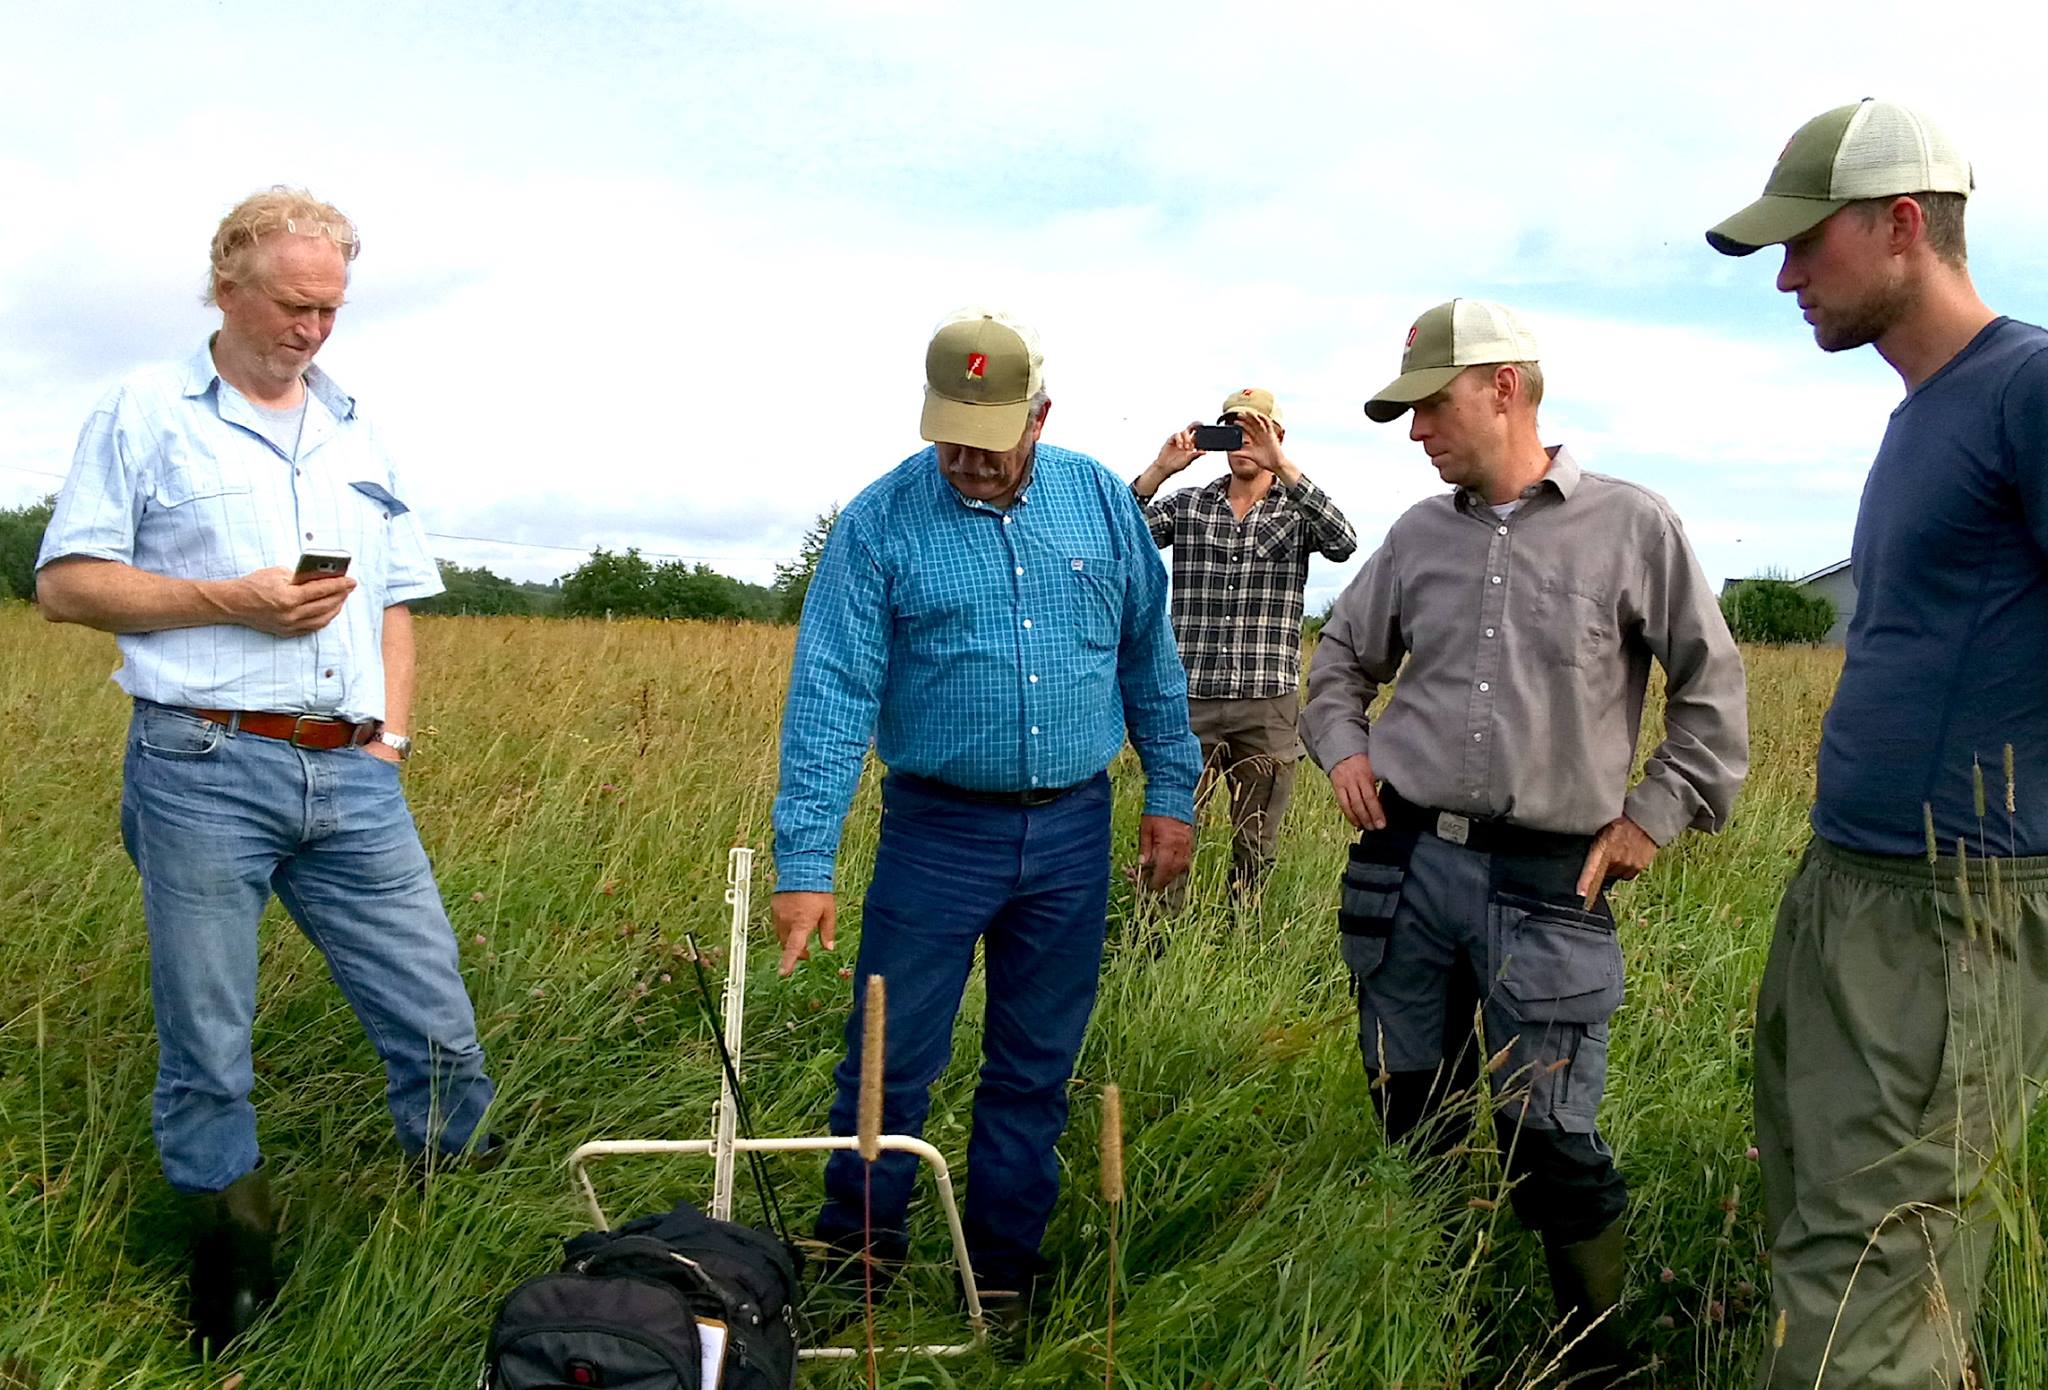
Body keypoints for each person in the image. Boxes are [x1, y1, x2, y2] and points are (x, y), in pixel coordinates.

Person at [35, 187, 496, 1355]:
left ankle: (462, 1204)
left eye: (331, 310)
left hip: (351, 775)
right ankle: (231, 1266)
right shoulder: (143, 412)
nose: (312, 331)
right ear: (227, 287)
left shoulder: (358, 429)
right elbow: (67, 583)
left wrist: (390, 739)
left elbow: (394, 599)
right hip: (200, 760)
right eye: (295, 305)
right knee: (209, 1030)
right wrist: (224, 601)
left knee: (433, 1009)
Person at [1303, 298, 1748, 1385]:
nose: (1414, 432)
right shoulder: (1416, 535)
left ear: (1503, 387)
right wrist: (1342, 750)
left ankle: (1594, 1361)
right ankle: (1431, 1326)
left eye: (1430, 405)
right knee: (1409, 1111)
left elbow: (1711, 691)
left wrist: (1653, 813)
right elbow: (1337, 660)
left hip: (1548, 884)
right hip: (1402, 868)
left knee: (1549, 1145)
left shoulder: (1631, 526)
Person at [769, 307, 1201, 1338]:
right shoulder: (879, 524)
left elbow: (1148, 655)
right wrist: (805, 859)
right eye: (947, 431)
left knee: (1033, 1063)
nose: (964, 455)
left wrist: (1170, 791)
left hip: (1069, 833)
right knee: (889, 1052)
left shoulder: (1101, 504)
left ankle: (1002, 1275)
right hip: (933, 834)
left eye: (989, 433)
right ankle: (857, 1265)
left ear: (1039, 415)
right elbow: (829, 690)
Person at [1706, 100, 2048, 1388]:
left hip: (1954, 912)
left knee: (1851, 1286)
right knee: (1850, 1237)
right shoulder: (1920, 414)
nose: (1786, 277)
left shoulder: (2025, 385)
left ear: (1901, 225)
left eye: (1804, 244)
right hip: (1852, 891)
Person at [1131, 388, 1357, 904]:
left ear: (1278, 437)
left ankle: (1242, 936)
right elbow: (1118, 529)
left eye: (1256, 430)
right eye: (1232, 429)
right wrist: (1160, 470)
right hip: (1191, 699)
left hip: (1268, 703)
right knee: (1170, 830)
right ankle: (1154, 940)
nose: (1244, 441)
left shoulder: (1297, 512)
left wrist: (1284, 466)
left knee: (1256, 840)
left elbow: (1344, 541)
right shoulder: (1190, 505)